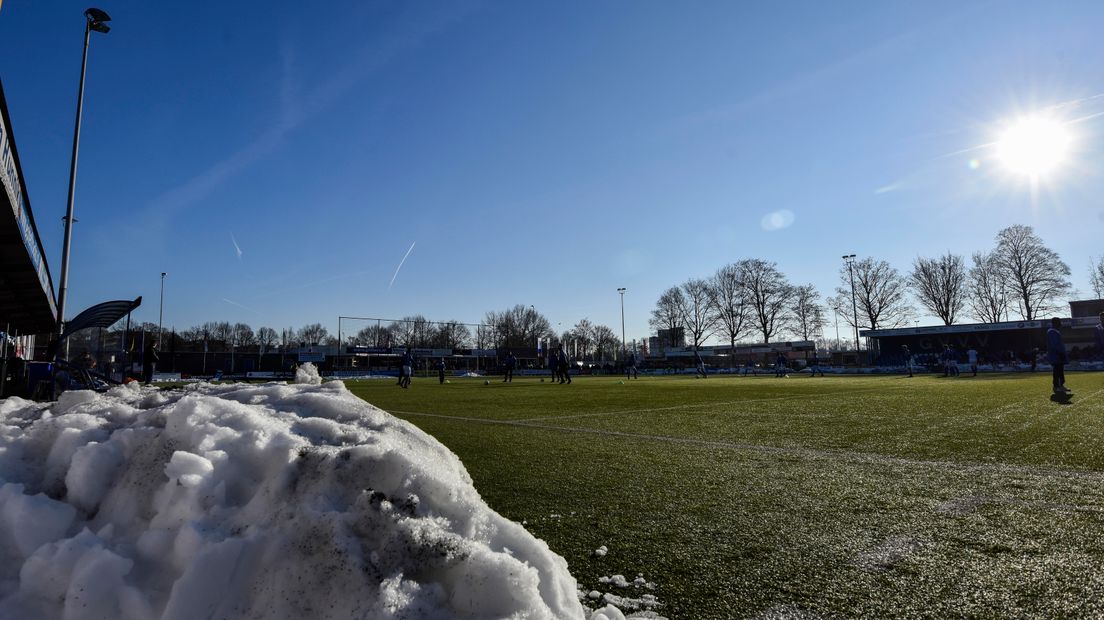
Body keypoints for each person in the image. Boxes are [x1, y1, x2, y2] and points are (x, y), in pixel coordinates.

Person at [1047, 317, 1069, 394]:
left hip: (1058, 354)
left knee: (1060, 370)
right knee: (1057, 371)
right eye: (1059, 322)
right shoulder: (1052, 331)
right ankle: (1056, 386)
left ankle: (1061, 385)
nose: (1060, 324)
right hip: (1056, 355)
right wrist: (1060, 353)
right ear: (1055, 323)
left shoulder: (1055, 331)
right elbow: (1055, 344)